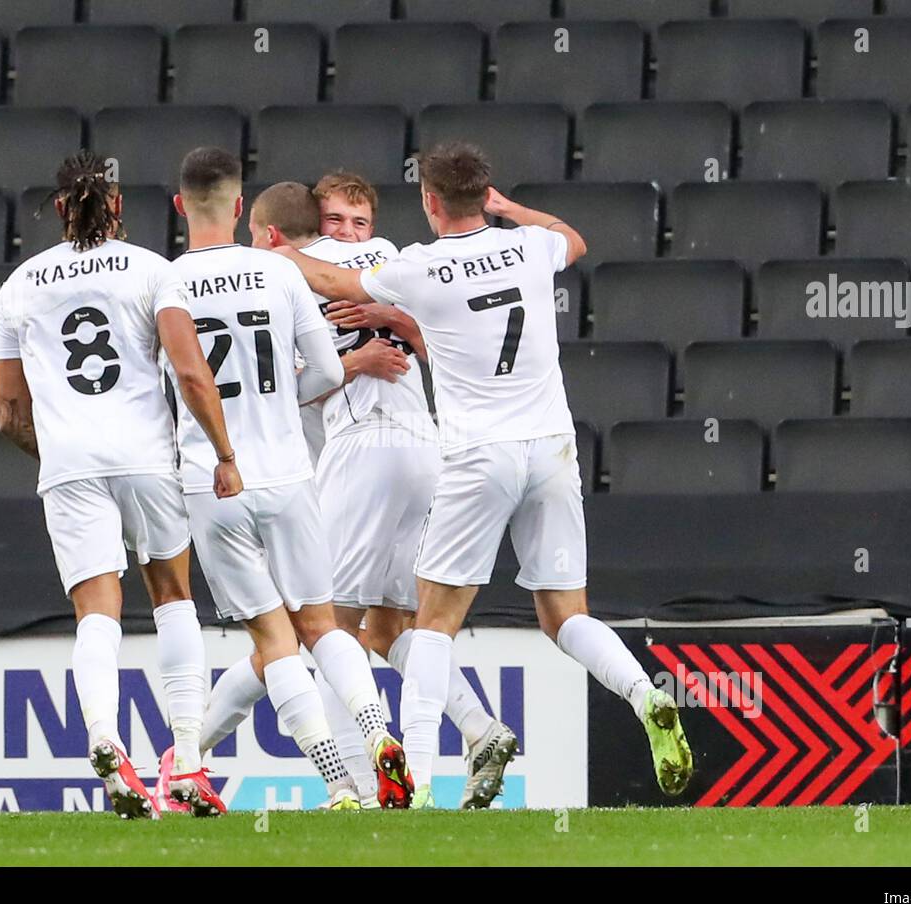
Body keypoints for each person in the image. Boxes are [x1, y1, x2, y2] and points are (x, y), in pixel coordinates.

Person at [272, 142, 694, 806]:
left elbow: (334, 283)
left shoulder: (421, 267)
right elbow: (572, 239)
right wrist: (508, 209)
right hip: (552, 448)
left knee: (432, 622)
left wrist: (269, 251)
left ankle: (413, 783)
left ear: (430, 201)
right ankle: (645, 694)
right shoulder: (528, 247)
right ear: (485, 195)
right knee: (563, 617)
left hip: (476, 456)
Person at [0, 150, 241, 819]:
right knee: (172, 596)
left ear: (61, 211)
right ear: (120, 208)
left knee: (97, 611)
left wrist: (61, 453)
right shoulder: (154, 271)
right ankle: (187, 761)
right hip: (145, 456)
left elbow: (9, 413)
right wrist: (222, 452)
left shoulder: (20, 285)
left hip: (69, 461)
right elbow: (191, 375)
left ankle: (107, 740)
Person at [167, 147, 414, 809]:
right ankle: (379, 734)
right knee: (323, 625)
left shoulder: (164, 282)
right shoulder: (277, 273)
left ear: (178, 206)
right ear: (239, 205)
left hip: (215, 480)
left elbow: (178, 379)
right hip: (290, 473)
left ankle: (336, 781)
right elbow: (331, 373)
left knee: (274, 639)